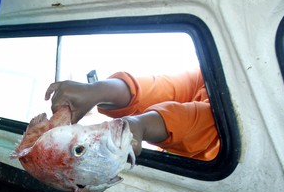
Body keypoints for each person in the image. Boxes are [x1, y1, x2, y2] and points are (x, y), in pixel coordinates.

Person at [44, 69, 219, 161]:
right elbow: (165, 88)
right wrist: (97, 90)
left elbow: (212, 122)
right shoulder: (209, 73)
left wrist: (141, 124)